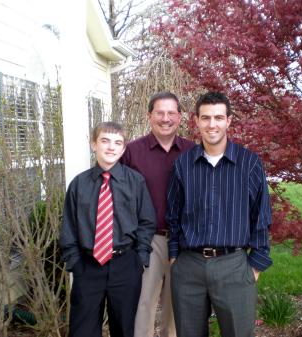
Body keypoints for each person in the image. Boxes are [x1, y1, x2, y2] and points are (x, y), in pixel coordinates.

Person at [166, 92, 273, 337]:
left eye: (218, 117)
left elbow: (261, 216)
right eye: (205, 118)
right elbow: (173, 215)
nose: (211, 124)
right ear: (197, 121)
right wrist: (175, 259)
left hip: (234, 266)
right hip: (189, 266)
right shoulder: (182, 164)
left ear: (229, 121)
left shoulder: (249, 163)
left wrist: (254, 266)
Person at [59, 122, 156, 337]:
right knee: (82, 330)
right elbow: (69, 227)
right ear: (94, 145)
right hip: (88, 266)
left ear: (123, 149)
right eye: (105, 141)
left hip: (126, 265)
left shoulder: (135, 182)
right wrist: (75, 262)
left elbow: (146, 222)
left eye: (117, 143)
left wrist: (139, 260)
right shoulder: (79, 184)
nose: (111, 147)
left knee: (123, 329)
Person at [121, 92, 196, 337]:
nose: (166, 118)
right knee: (143, 303)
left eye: (171, 113)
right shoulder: (131, 152)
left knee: (178, 305)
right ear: (149, 116)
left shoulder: (192, 151)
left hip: (184, 241)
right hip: (147, 240)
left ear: (180, 117)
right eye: (160, 113)